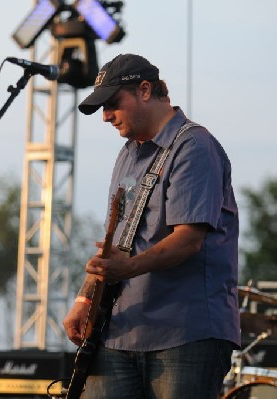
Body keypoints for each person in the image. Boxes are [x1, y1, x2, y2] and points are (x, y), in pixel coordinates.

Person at [63, 54, 239, 398]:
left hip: (185, 334)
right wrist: (85, 300)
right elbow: (114, 242)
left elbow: (188, 240)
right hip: (119, 329)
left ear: (145, 90)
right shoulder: (128, 153)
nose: (106, 117)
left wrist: (125, 268)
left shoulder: (195, 146)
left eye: (113, 104)